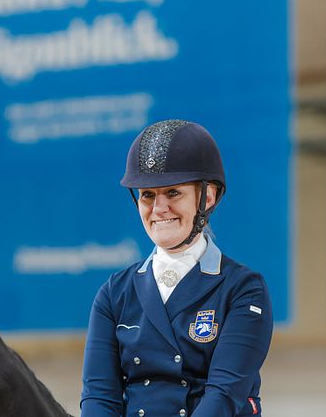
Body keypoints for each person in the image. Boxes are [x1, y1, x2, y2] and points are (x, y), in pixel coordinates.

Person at [80, 119, 274, 417]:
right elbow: (99, 398)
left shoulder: (244, 290)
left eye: (172, 193)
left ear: (207, 197)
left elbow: (223, 396)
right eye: (147, 195)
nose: (159, 209)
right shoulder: (113, 293)